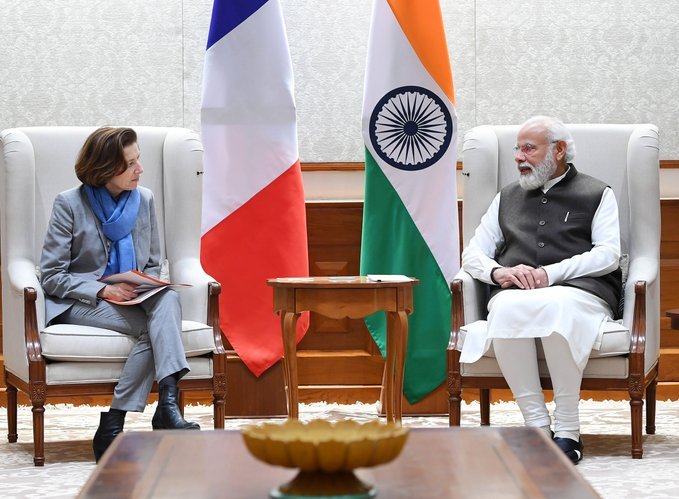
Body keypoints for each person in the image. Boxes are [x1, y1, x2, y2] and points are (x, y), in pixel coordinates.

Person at [459, 116, 622, 464]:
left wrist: (551, 274)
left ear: (559, 150)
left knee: (556, 305)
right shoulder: (506, 197)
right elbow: (472, 253)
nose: (519, 157)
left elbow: (608, 254)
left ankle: (568, 429)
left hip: (581, 293)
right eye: (517, 149)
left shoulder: (598, 193)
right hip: (518, 293)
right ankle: (536, 425)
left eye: (529, 149)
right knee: (504, 308)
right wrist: (498, 272)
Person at [40, 127, 200, 463]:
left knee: (168, 298)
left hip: (131, 298)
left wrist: (143, 288)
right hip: (81, 302)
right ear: (104, 169)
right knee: (154, 328)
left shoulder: (145, 200)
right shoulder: (69, 204)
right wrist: (103, 289)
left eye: (138, 159)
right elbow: (52, 275)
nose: (140, 169)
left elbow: (153, 263)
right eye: (130, 164)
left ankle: (155, 407)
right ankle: (141, 416)